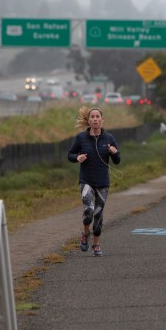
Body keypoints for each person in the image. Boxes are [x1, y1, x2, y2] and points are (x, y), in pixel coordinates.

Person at [67, 106, 121, 257]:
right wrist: (77, 158)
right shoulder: (81, 138)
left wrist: (114, 153)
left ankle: (96, 244)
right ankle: (85, 234)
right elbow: (70, 155)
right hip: (86, 181)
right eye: (92, 117)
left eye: (98, 117)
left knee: (98, 214)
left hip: (103, 182)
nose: (95, 119)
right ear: (88, 120)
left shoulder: (109, 139)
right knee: (88, 210)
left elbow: (117, 160)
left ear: (102, 120)